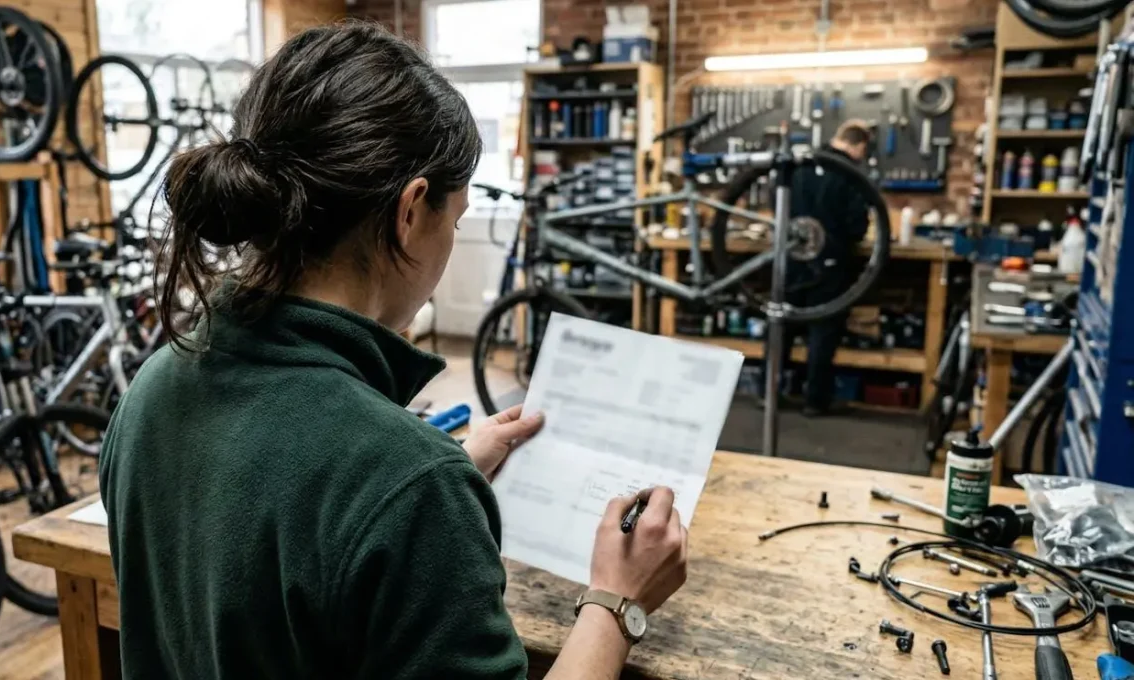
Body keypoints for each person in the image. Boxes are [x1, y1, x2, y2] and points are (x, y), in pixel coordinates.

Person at [99, 22, 688, 680]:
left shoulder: (152, 391)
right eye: (456, 222)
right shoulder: (409, 484)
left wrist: (431, 474)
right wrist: (618, 600)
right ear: (410, 212)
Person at [762, 120, 873, 418]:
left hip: (790, 258)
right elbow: (857, 226)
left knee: (780, 326)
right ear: (859, 146)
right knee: (823, 332)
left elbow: (776, 198)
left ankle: (768, 393)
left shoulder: (798, 165)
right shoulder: (849, 174)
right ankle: (814, 402)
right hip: (831, 262)